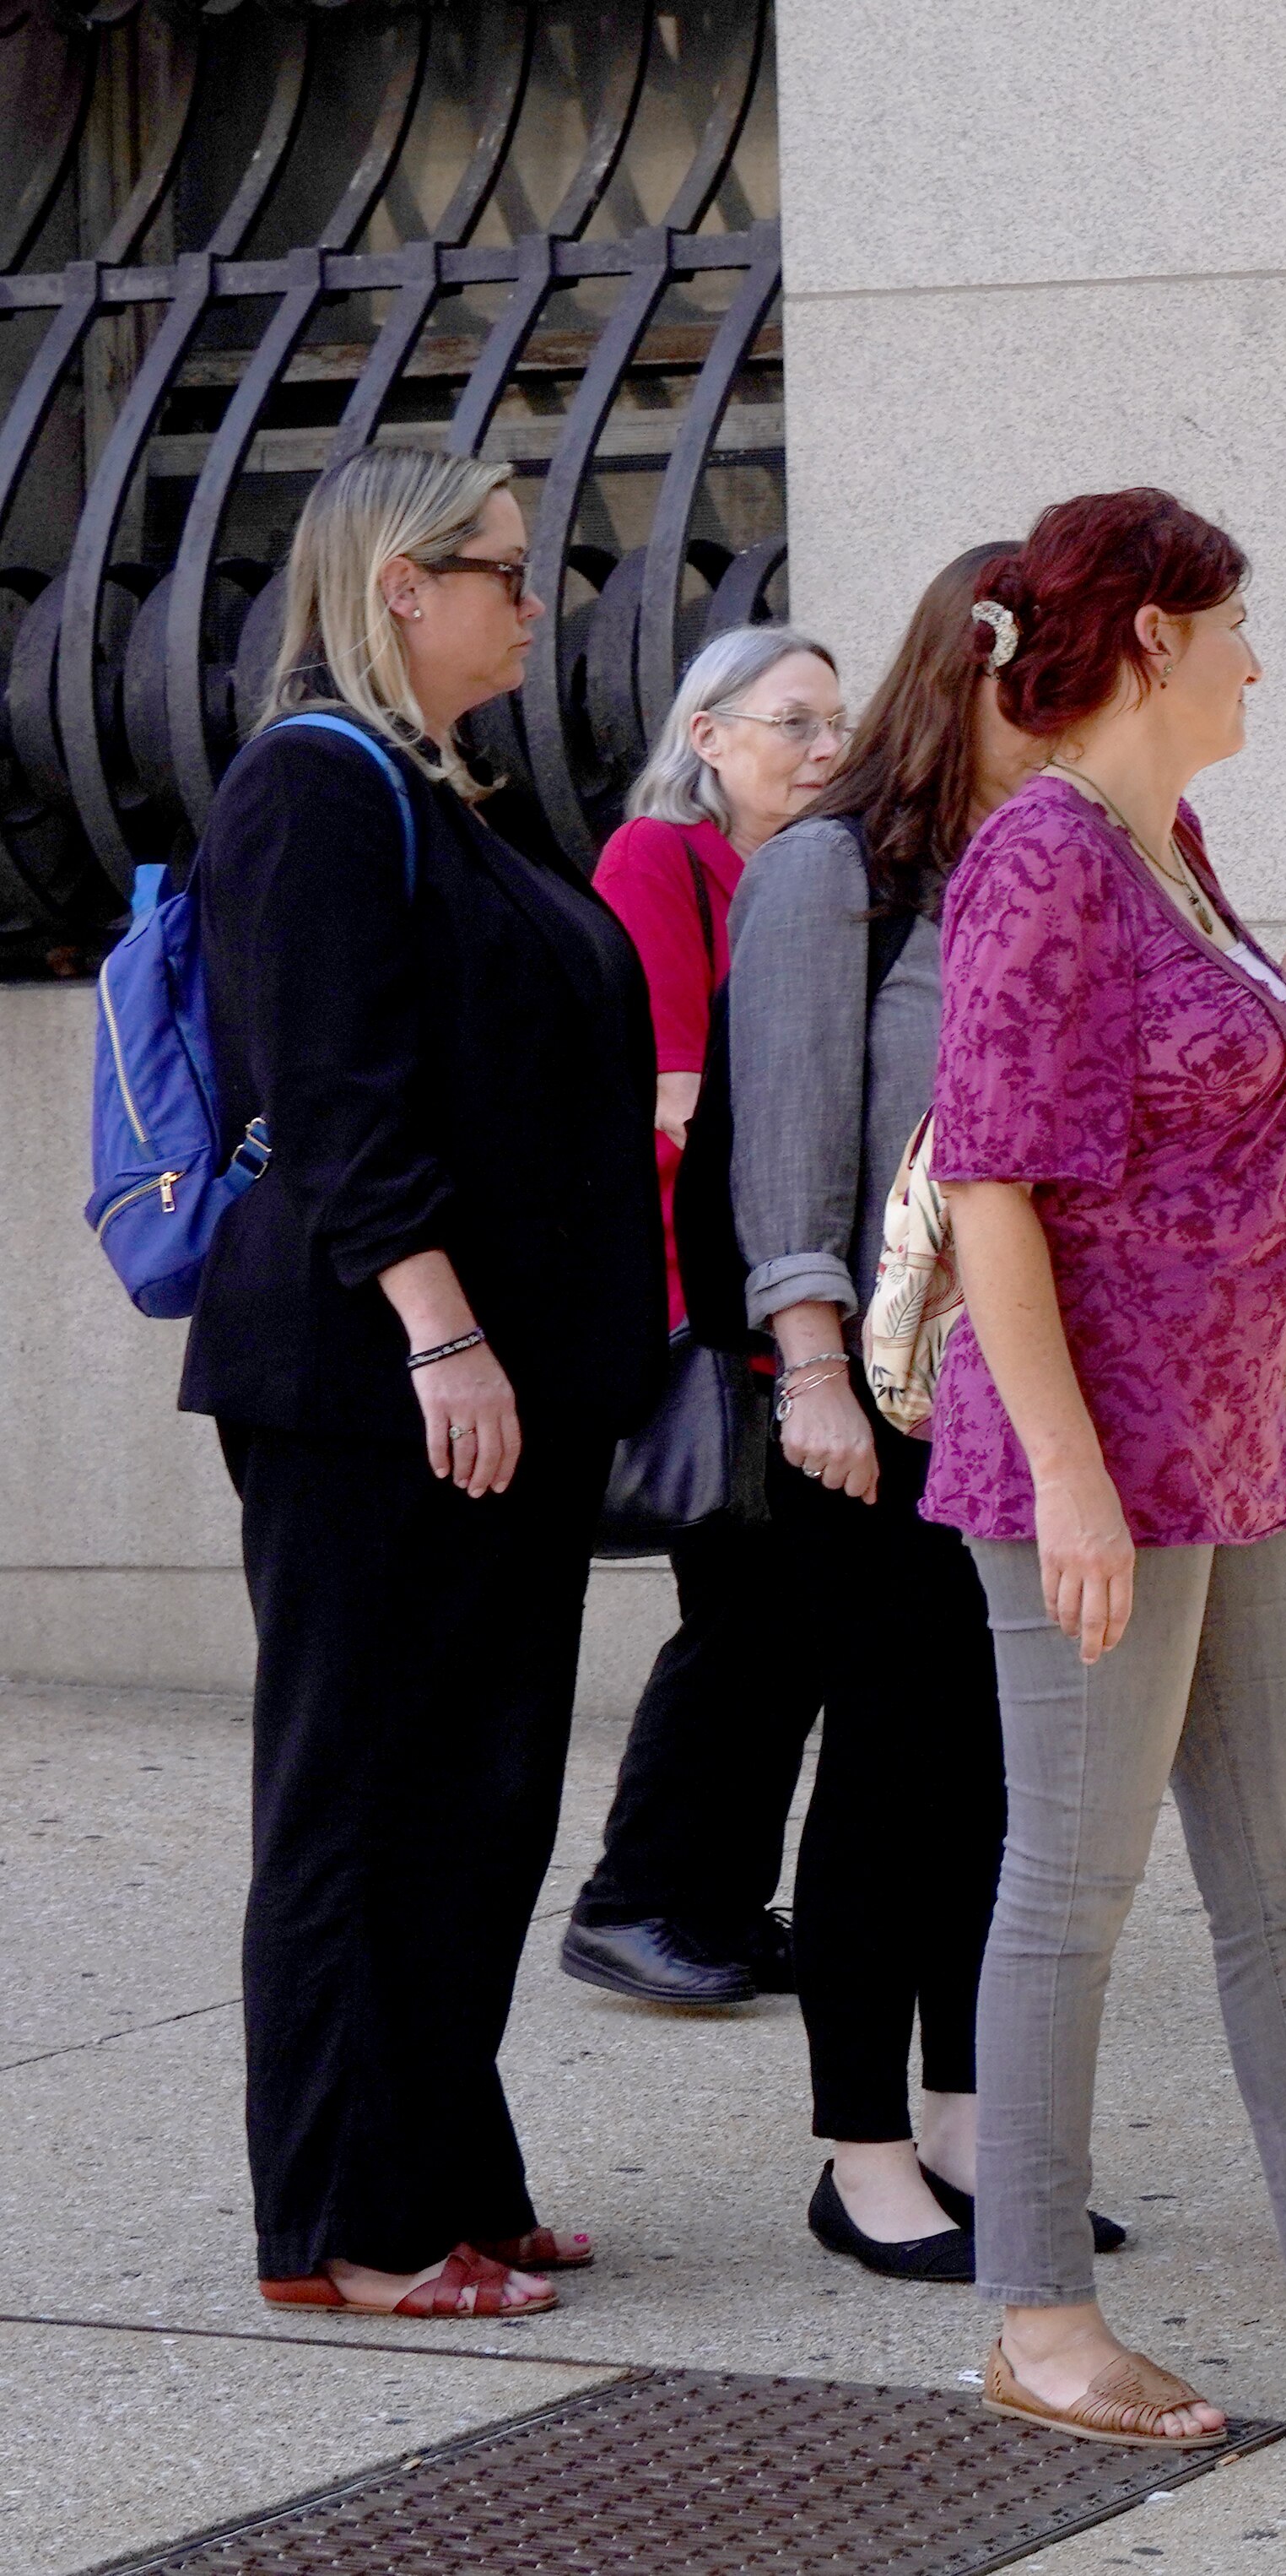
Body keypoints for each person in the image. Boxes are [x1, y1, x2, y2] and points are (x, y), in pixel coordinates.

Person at [930, 486, 1286, 2445]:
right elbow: (997, 1191)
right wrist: (1078, 1481)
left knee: (1285, 1882)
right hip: (1090, 1464)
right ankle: (1034, 2315)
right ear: (1158, 639)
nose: (1267, 656)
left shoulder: (1165, 841)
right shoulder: (1037, 858)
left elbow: (1242, 1149)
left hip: (1236, 1438)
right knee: (1071, 1887)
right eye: (1242, 622)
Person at [187, 447, 662, 2319]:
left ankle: (452, 2170)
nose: (533, 602)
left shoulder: (438, 791)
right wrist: (443, 1327)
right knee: (365, 1791)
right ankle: (352, 2223)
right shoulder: (314, 784)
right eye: (501, 568)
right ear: (399, 583)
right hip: (376, 1381)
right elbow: (333, 1097)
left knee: (475, 1796)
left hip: (489, 1383)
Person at [723, 546, 1045, 2276]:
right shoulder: (832, 871)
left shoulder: (1041, 866)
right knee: (889, 1775)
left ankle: (972, 2127)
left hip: (1019, 1403)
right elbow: (786, 1140)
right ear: (976, 669)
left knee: (997, 1781)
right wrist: (813, 1364)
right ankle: (861, 2152)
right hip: (879, 1400)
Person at [559, 625, 851, 2010]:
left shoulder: (813, 872)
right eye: (791, 721)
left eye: (834, 726)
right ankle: (637, 1903)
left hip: (796, 1283)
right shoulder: (662, 861)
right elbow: (668, 1090)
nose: (822, 748)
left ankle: (719, 1903)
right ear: (708, 735)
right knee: (742, 1617)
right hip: (714, 1295)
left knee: (787, 1622)